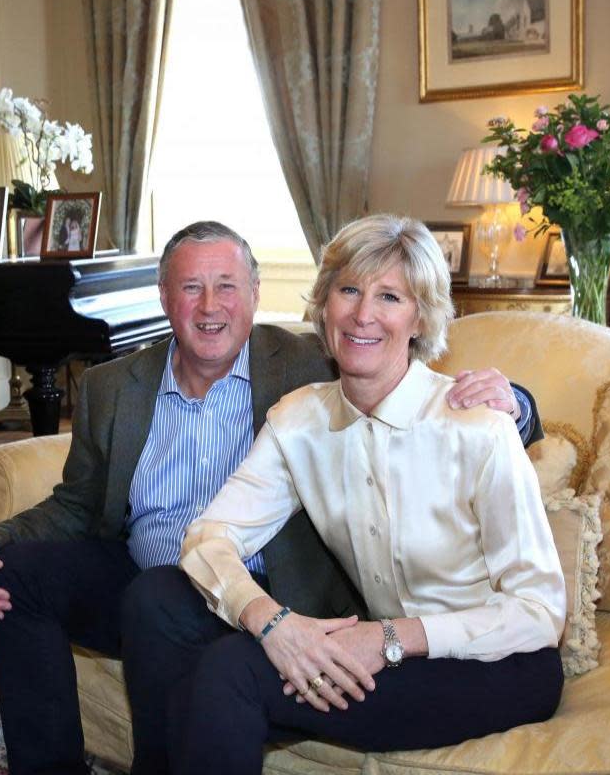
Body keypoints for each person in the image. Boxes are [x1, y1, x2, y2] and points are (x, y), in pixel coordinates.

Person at [0, 220, 542, 775]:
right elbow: (108, 511)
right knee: (82, 585)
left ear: (256, 296)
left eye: (227, 286)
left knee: (199, 646)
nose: (210, 306)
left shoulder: (313, 369)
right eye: (191, 287)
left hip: (453, 643)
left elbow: (427, 389)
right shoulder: (290, 412)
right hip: (177, 583)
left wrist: (514, 403)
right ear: (164, 297)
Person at [169, 215, 565, 773]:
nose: (362, 315)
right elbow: (208, 538)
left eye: (390, 297)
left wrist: (388, 640)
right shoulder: (298, 420)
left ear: (419, 317)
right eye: (348, 291)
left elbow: (540, 611)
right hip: (381, 656)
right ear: (323, 305)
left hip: (497, 662)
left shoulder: (479, 428)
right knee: (217, 660)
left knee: (230, 675)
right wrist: (270, 621)